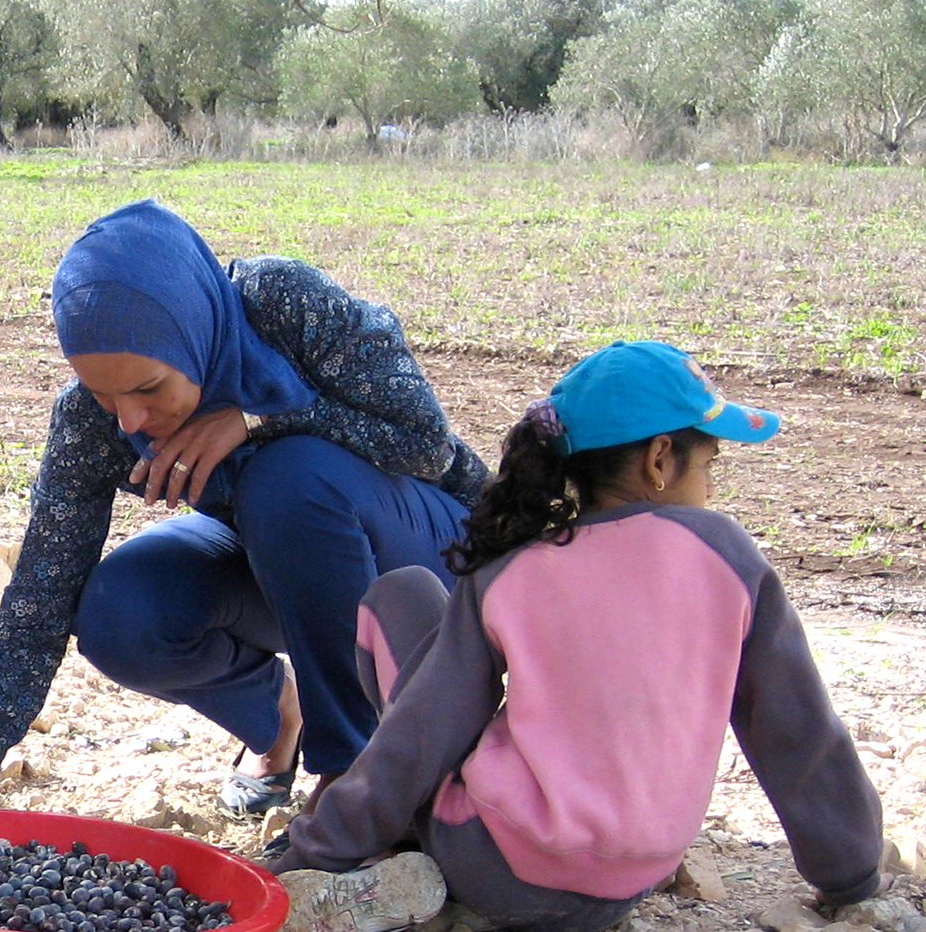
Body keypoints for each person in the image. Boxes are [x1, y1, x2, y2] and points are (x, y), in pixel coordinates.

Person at [267, 341, 886, 932]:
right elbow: (797, 731)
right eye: (709, 467)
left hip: (494, 868)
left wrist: (313, 850)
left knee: (403, 595)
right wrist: (850, 874)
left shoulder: (510, 570)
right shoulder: (730, 558)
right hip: (631, 879)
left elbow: (423, 729)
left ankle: (393, 832)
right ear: (660, 459)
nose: (709, 487)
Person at [0, 200, 489, 816]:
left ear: (193, 328)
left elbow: (426, 444)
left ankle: (353, 772)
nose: (130, 420)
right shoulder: (93, 423)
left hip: (424, 555)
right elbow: (37, 603)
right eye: (101, 393)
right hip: (285, 566)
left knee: (289, 479)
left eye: (148, 389)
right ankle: (279, 717)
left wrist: (257, 420)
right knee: (122, 612)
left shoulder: (279, 302)